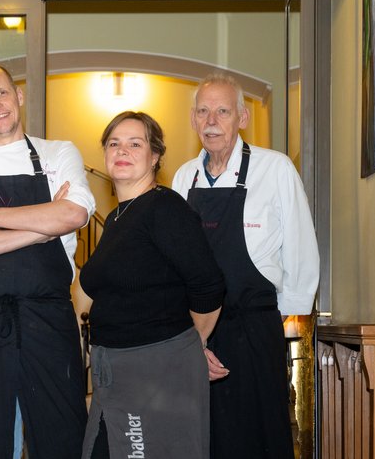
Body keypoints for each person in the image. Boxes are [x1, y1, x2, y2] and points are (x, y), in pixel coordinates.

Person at [0, 64, 95, 459]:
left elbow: (74, 214)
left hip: (50, 318)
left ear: (19, 96)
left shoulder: (59, 152)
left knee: (62, 433)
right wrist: (42, 228)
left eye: (3, 93)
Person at [172, 73, 320, 459]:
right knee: (203, 438)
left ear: (242, 118)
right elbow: (174, 264)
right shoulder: (183, 177)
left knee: (260, 437)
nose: (211, 121)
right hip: (198, 332)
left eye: (223, 111)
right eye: (203, 111)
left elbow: (301, 248)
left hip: (254, 329)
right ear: (192, 119)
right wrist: (190, 337)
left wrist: (288, 321)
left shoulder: (275, 168)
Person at [79, 111, 225, 459]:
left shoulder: (165, 207)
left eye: (135, 143)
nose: (122, 150)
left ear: (155, 155)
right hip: (114, 372)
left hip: (155, 375)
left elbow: (208, 285)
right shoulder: (117, 217)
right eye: (114, 143)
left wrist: (192, 344)